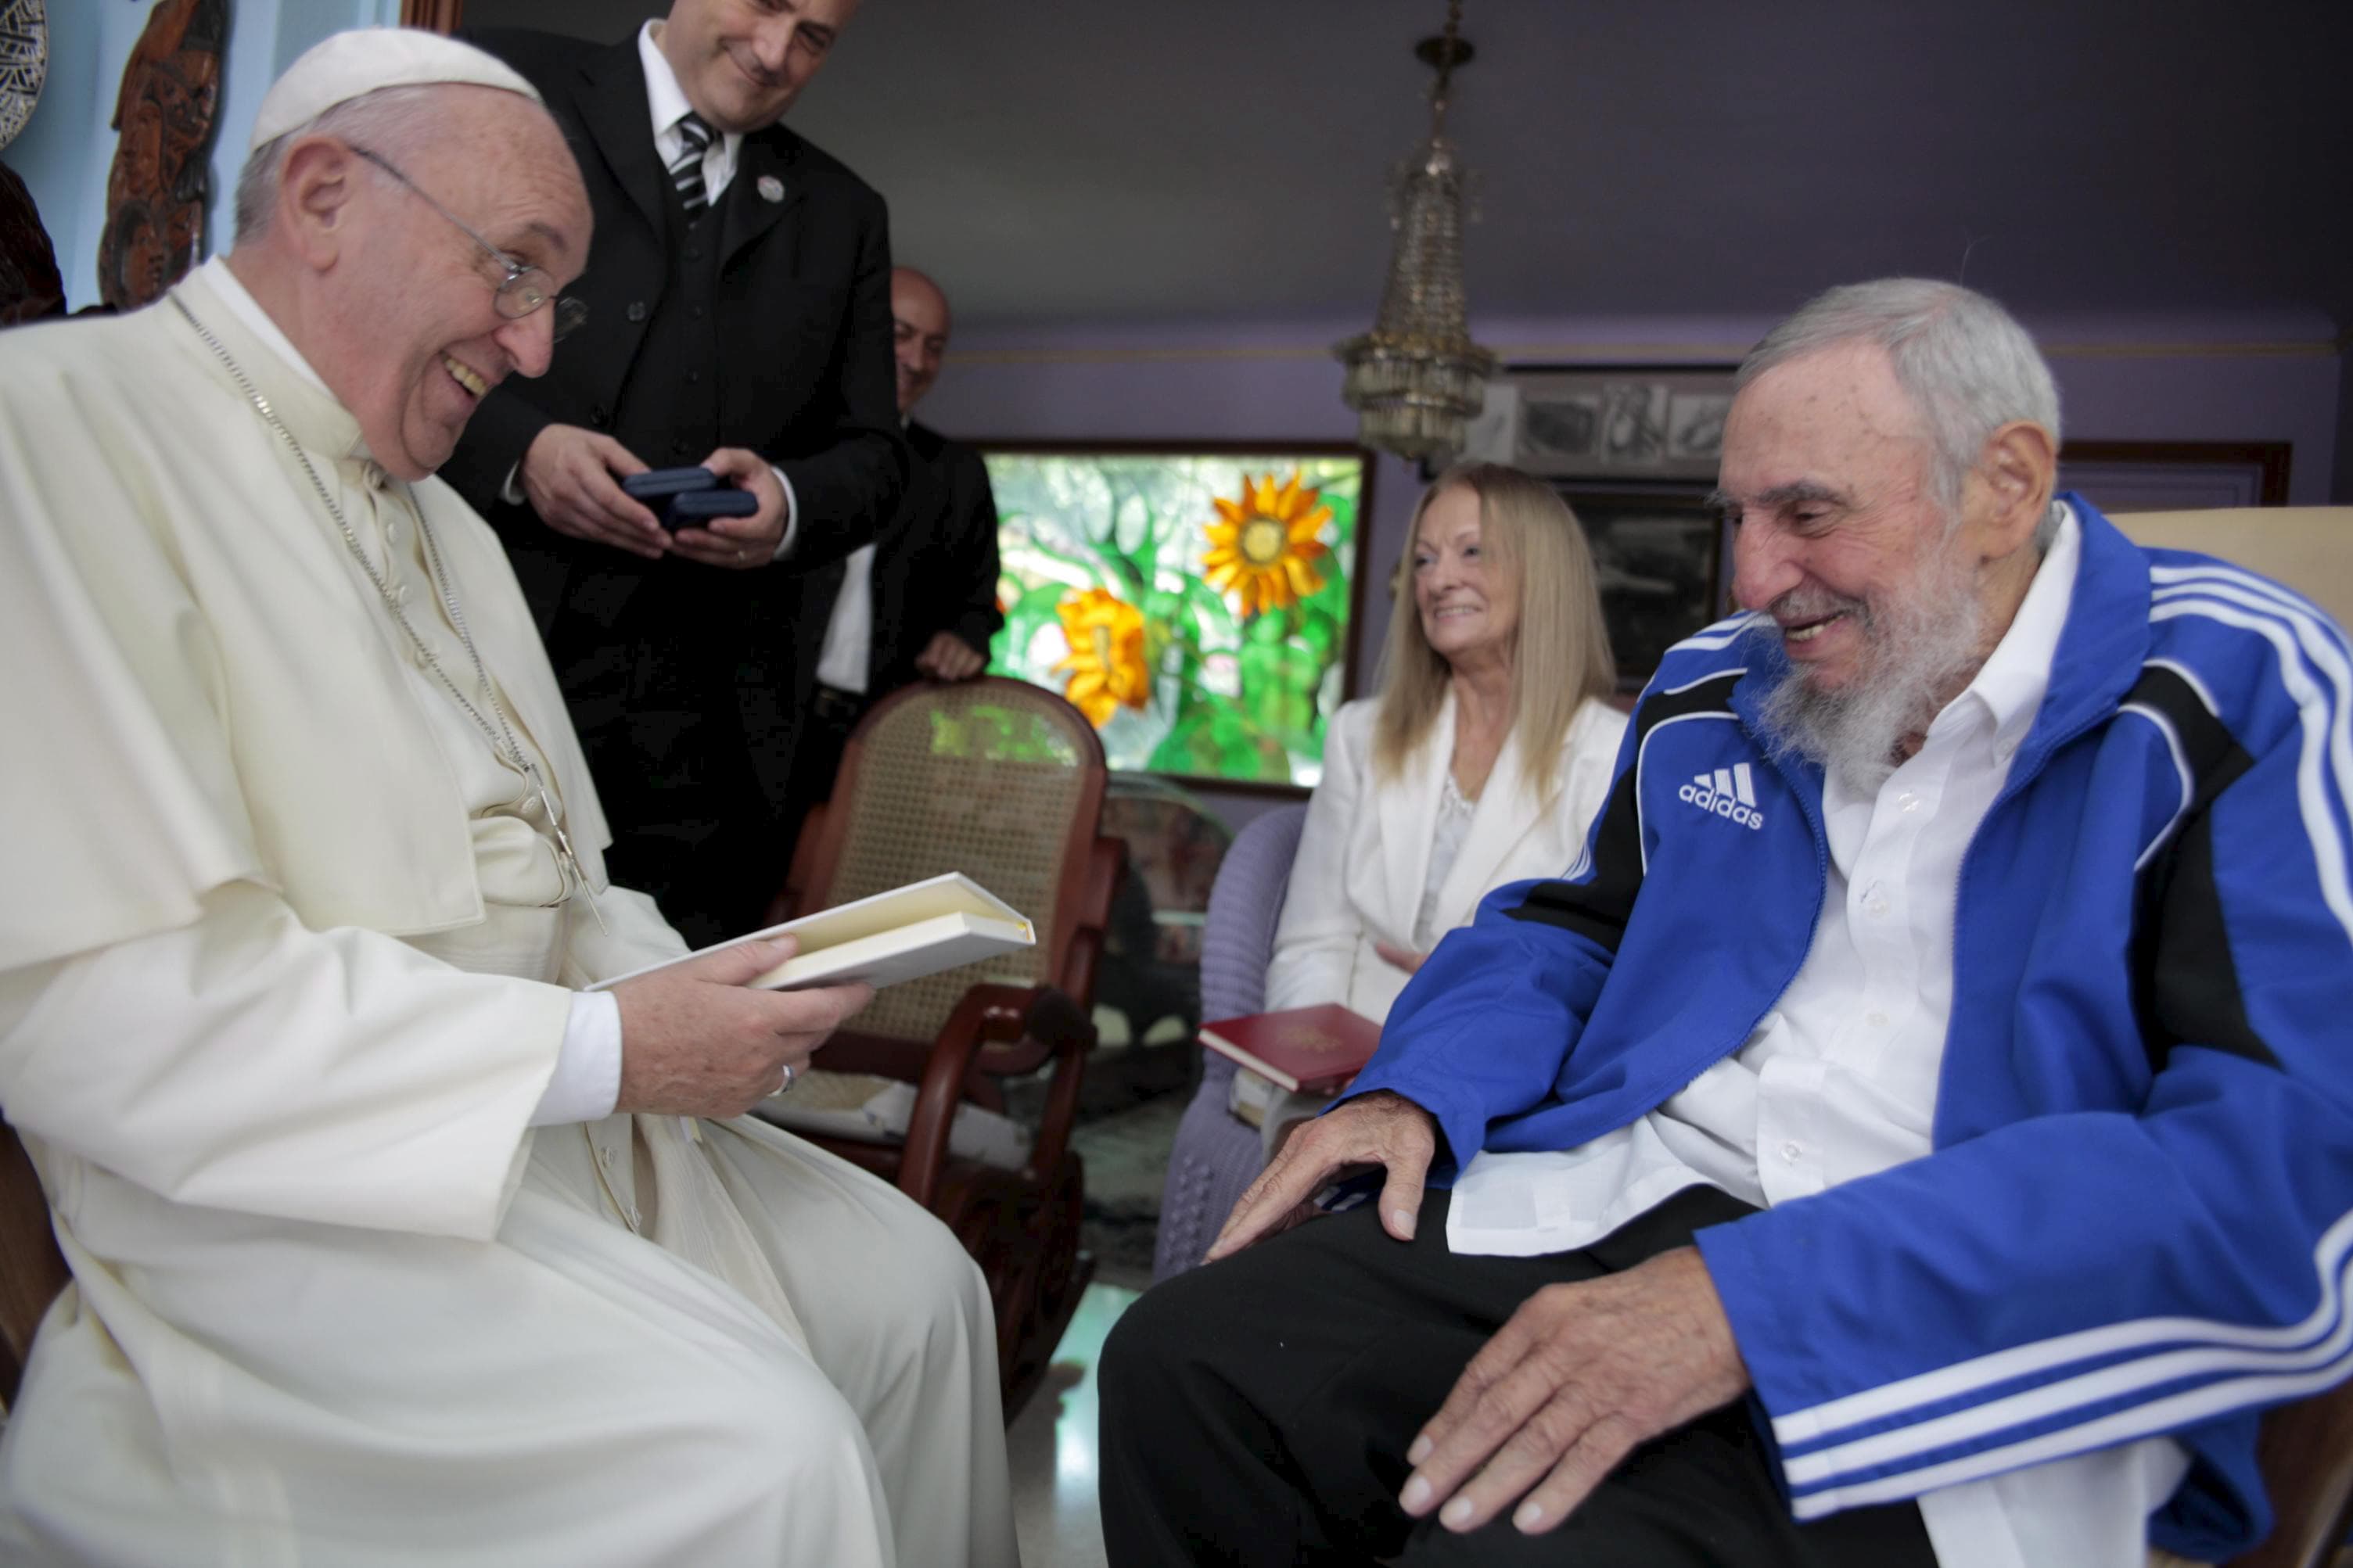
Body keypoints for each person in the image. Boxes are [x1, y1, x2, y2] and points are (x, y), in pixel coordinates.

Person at [1099, 277, 2353, 1568]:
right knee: (1181, 1368)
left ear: (2004, 487)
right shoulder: (1715, 685)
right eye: (1736, 519)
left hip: (1952, 1297)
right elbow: (1569, 932)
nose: (1752, 579)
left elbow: (2283, 1165)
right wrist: (1413, 1090)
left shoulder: (2241, 687)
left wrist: (1752, 1304)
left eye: (1805, 513)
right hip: (1626, 1199)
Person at [0, 31, 1012, 1567]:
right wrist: (610, 1043)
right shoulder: (52, 430)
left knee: (923, 1291)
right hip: (283, 1197)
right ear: (328, 195)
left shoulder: (448, 526)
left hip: (554, 1115)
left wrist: (693, 987)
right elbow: (116, 1006)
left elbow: (561, 881)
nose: (536, 355)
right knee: (766, 1453)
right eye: (517, 271)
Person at [443, 0, 904, 948]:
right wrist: (522, 452)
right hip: (473, 677)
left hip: (707, 740)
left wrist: (783, 503)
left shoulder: (846, 214)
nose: (776, 53)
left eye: (814, 37)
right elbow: (383, 318)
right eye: (769, 5)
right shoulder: (501, 83)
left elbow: (875, 459)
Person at [1238, 463, 1626, 1153]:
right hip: (1333, 1075)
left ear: (1545, 572)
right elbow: (1313, 942)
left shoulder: (1616, 756)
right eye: (1423, 558)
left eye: (1471, 551)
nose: (1438, 578)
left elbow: (1605, 982)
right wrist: (1316, 1070)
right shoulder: (1361, 735)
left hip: (1503, 1091)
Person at [780, 265, 1006, 859]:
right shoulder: (783, 439)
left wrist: (966, 636)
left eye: (935, 346)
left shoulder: (957, 474)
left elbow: (979, 603)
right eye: (900, 335)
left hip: (888, 735)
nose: (917, 359)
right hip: (759, 722)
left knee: (854, 909)